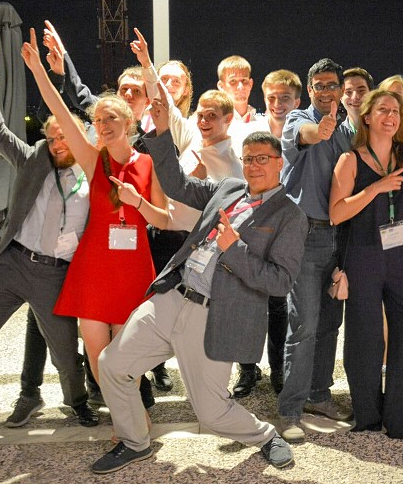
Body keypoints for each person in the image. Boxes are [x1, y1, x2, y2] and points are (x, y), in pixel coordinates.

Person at [93, 86, 307, 473]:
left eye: (262, 159)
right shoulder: (228, 189)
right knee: (112, 364)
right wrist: (161, 132)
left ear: (280, 163)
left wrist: (234, 248)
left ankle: (264, 436)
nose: (253, 166)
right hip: (173, 295)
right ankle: (135, 441)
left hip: (215, 316)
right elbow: (177, 186)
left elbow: (279, 282)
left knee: (211, 413)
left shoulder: (290, 216)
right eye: (248, 159)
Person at [0, 40, 95, 470]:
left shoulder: (94, 169)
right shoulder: (33, 158)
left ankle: (77, 401)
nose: (57, 143)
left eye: (63, 135)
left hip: (56, 275)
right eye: (51, 137)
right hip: (13, 265)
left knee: (66, 354)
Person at [22, 29, 169, 411]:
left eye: (110, 118)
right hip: (94, 270)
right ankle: (125, 421)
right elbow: (59, 111)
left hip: (132, 270)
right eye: (98, 119)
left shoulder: (148, 163)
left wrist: (138, 203)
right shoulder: (92, 160)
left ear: (129, 122)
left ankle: (131, 419)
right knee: (99, 358)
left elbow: (165, 219)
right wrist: (38, 70)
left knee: (126, 358)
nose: (102, 125)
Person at [328, 89, 403, 443]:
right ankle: (368, 416)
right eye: (382, 109)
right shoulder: (350, 160)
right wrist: (375, 188)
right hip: (363, 254)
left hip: (401, 252)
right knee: (366, 338)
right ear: (367, 116)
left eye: (395, 110)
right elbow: (336, 214)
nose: (390, 116)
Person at [278, 58, 354, 443]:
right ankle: (290, 410)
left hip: (339, 236)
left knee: (329, 323)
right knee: (304, 324)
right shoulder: (297, 120)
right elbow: (306, 134)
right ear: (309, 90)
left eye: (331, 85)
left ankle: (319, 395)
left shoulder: (348, 129)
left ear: (340, 89)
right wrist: (320, 129)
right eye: (319, 85)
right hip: (305, 235)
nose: (326, 91)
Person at [230, 69, 302, 397]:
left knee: (278, 302)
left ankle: (278, 369)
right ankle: (247, 369)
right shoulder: (250, 131)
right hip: (253, 221)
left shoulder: (301, 133)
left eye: (284, 97)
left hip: (286, 224)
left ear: (296, 101)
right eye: (271, 97)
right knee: (246, 299)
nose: (277, 103)